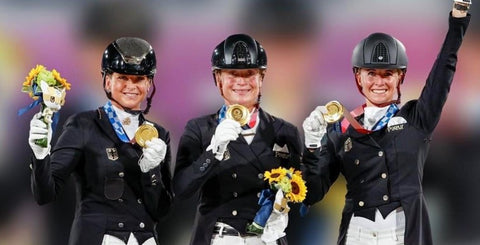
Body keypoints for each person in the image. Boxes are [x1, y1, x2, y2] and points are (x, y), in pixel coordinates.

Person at [301, 1, 471, 245]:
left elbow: (442, 72)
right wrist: (313, 144)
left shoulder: (416, 119)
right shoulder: (341, 130)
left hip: (402, 231)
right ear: (358, 77)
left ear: (400, 76)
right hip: (357, 232)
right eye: (371, 73)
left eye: (387, 74)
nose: (379, 82)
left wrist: (458, 21)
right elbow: (313, 192)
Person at [27, 37, 172, 245]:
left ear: (149, 83)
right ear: (107, 81)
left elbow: (162, 211)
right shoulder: (82, 125)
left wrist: (152, 172)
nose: (131, 86)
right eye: (123, 77)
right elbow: (45, 194)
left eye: (139, 79)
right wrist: (40, 154)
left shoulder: (159, 133)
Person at [172, 33, 302, 245]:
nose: (241, 82)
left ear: (261, 78)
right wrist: (213, 151)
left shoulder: (285, 131)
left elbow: (306, 193)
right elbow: (182, 189)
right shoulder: (200, 129)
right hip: (220, 237)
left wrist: (316, 147)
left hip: (267, 237)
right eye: (233, 74)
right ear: (218, 78)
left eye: (249, 73)